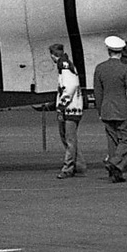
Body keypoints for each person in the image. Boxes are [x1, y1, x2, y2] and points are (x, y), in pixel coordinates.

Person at [94, 35, 127, 183]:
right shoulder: (125, 69)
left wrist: (100, 110)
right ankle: (115, 163)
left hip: (106, 109)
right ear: (121, 52)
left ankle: (116, 173)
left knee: (112, 141)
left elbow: (98, 92)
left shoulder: (100, 68)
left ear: (108, 51)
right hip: (122, 109)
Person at [49, 44, 85, 178]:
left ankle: (68, 168)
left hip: (70, 109)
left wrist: (61, 105)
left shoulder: (64, 67)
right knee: (70, 139)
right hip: (72, 108)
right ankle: (79, 164)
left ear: (53, 55)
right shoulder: (66, 65)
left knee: (68, 139)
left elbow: (70, 87)